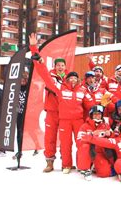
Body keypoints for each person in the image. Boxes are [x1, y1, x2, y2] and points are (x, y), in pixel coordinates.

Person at [29, 33, 72, 172]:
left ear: (65, 67)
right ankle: (49, 162)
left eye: (62, 65)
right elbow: (40, 66)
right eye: (58, 65)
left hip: (65, 114)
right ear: (55, 66)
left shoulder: (70, 79)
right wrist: (33, 47)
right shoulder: (50, 78)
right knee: (50, 138)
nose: (60, 67)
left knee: (65, 140)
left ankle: (67, 163)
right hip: (52, 112)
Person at [76, 105, 114, 181]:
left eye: (99, 114)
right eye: (95, 114)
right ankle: (85, 169)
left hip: (99, 153)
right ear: (91, 115)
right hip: (87, 153)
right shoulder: (84, 126)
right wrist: (92, 135)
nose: (97, 116)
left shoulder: (106, 126)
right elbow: (79, 142)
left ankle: (95, 166)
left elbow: (114, 140)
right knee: (85, 146)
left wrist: (110, 134)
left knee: (105, 173)